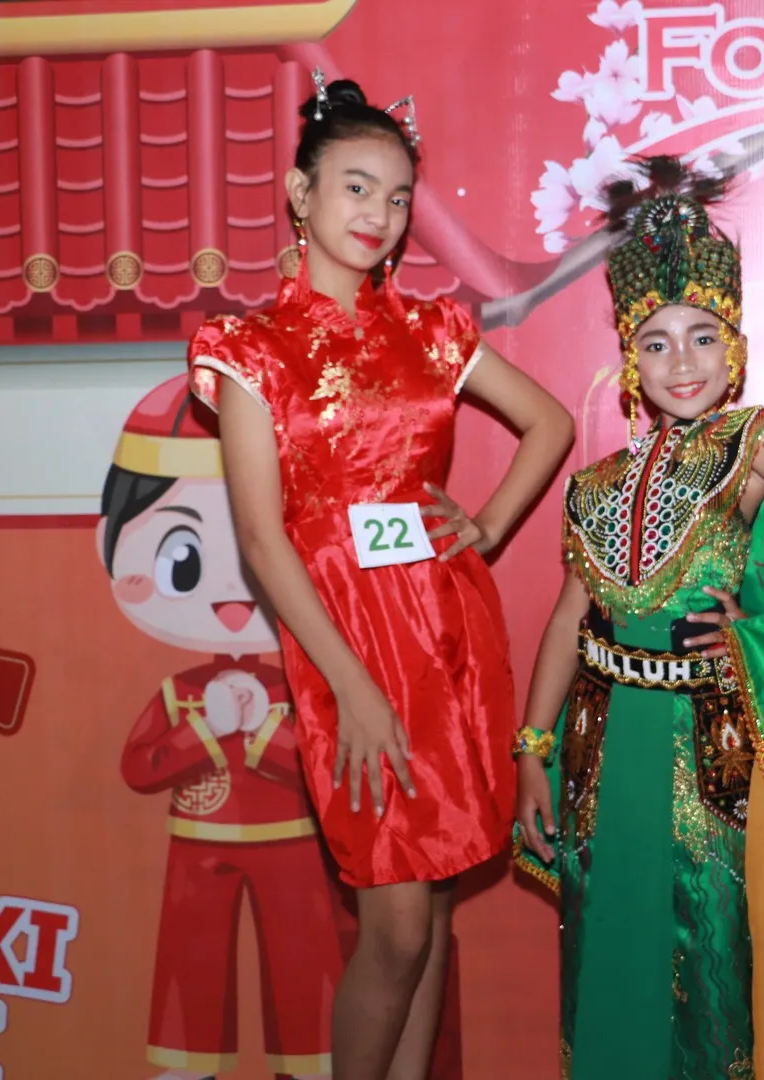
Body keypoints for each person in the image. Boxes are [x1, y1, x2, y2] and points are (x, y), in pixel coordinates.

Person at [185, 74, 573, 1080]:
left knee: (434, 906)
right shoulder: (247, 350)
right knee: (395, 926)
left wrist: (481, 527)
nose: (381, 216)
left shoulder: (433, 330)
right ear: (300, 193)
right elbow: (265, 543)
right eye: (357, 188)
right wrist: (351, 686)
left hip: (445, 630)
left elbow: (553, 423)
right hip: (339, 642)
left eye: (398, 198)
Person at [512, 155, 764, 1080]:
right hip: (600, 757)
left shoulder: (755, 440)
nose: (683, 362)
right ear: (628, 360)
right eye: (658, 343)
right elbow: (569, 617)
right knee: (608, 956)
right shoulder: (592, 485)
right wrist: (531, 749)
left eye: (703, 338)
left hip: (707, 752)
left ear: (737, 350)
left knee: (710, 961)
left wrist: (760, 637)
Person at [99, 375, 344, 1080]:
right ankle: (185, 1061)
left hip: (294, 845)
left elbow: (320, 766)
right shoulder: (179, 692)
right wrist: (205, 730)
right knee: (190, 958)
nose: (236, 598)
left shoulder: (302, 682)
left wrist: (261, 735)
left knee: (304, 962)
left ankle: (313, 1059)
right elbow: (139, 768)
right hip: (196, 849)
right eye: (186, 559)